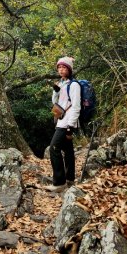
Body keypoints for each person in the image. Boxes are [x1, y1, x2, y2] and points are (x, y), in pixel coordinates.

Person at [46, 56, 81, 193]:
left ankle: (59, 183)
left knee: (53, 149)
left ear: (69, 69)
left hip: (67, 123)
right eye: (59, 67)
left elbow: (76, 106)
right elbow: (55, 103)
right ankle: (70, 179)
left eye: (64, 67)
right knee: (68, 151)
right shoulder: (61, 84)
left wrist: (70, 127)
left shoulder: (74, 85)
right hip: (60, 120)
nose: (61, 70)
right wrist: (55, 91)